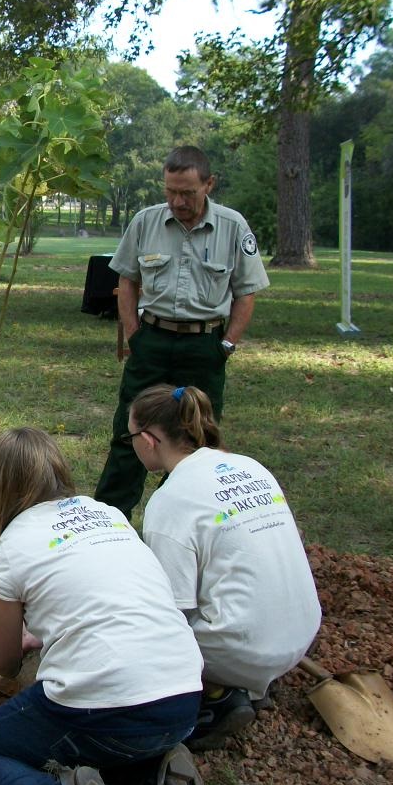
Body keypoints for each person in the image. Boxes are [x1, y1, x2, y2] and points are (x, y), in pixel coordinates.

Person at [0, 427, 205, 785]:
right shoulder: (108, 514)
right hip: (182, 697)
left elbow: (2, 663)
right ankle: (159, 783)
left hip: (105, 705)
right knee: (103, 738)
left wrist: (23, 646)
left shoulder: (11, 552)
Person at [128, 383, 321, 750]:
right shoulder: (249, 466)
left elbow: (172, 612)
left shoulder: (170, 501)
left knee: (135, 632)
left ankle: (216, 697)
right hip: (301, 631)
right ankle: (251, 678)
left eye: (131, 436)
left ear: (149, 439)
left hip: (244, 647)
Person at [94, 145, 270, 519]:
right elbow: (127, 280)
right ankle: (109, 524)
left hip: (204, 347)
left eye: (187, 192)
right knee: (130, 435)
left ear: (209, 184)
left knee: (195, 440)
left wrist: (226, 345)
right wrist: (134, 335)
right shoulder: (145, 221)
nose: (177, 201)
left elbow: (246, 292)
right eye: (170, 191)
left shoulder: (233, 226)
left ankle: (177, 520)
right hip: (152, 343)